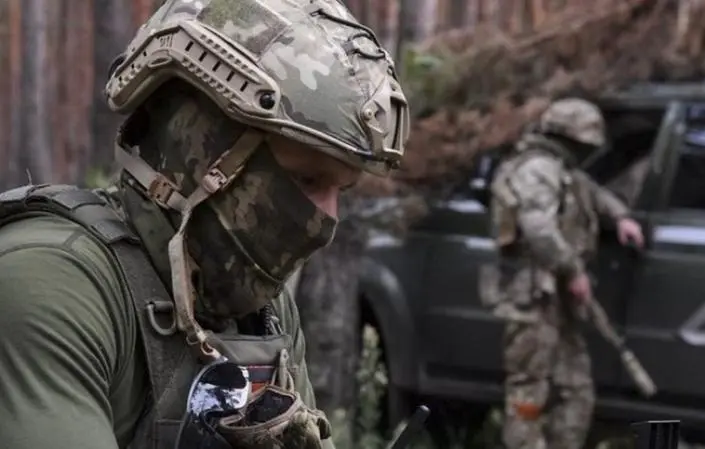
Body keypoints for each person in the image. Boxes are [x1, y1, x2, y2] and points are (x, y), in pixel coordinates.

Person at [0, 1, 409, 449]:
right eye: (305, 179)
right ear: (198, 148)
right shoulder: (52, 285)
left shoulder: (264, 314)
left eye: (342, 189)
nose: (326, 219)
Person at [487, 98, 645, 449]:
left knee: (576, 391)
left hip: (558, 301)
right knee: (528, 394)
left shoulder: (562, 169)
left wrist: (620, 216)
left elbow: (590, 191)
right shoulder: (536, 170)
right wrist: (572, 271)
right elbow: (538, 228)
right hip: (533, 298)